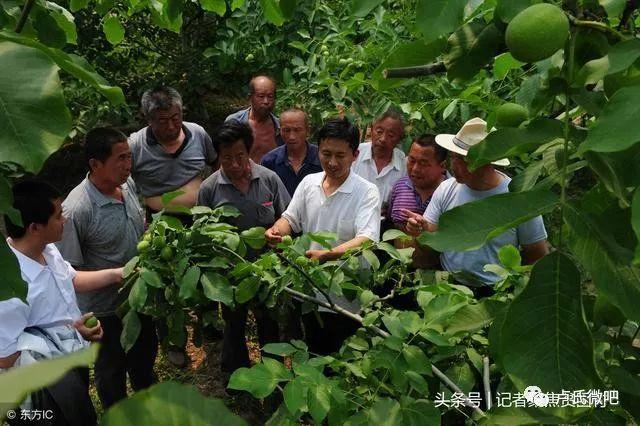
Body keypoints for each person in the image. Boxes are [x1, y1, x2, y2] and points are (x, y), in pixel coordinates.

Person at [1, 180, 123, 424]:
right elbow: (5, 357)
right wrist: (62, 337)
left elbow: (72, 278)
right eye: (58, 216)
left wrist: (119, 273)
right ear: (35, 227)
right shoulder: (11, 288)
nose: (64, 220)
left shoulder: (47, 249)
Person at [56, 128, 157, 409]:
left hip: (138, 299)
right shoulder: (76, 210)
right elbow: (68, 275)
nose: (128, 164)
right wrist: (118, 274)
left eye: (129, 156)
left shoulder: (128, 185)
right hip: (104, 312)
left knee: (144, 362)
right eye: (120, 158)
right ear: (95, 164)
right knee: (111, 374)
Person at [265, 117, 380, 354]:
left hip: (346, 297)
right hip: (309, 290)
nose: (332, 162)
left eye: (340, 155)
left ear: (355, 155)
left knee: (340, 359)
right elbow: (290, 218)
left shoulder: (366, 192)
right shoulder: (309, 183)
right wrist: (277, 231)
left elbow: (367, 239)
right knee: (311, 352)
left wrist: (328, 255)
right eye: (326, 154)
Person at [404, 118, 549, 297]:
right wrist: (422, 232)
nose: (453, 165)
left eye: (462, 159)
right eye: (453, 157)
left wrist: (514, 287)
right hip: (449, 286)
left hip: (497, 292)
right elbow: (431, 246)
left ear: (486, 162)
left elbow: (537, 254)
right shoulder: (447, 189)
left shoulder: (519, 199)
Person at [129, 86, 217, 367]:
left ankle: (211, 327)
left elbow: (215, 168)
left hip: (200, 218)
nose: (170, 125)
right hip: (160, 225)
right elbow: (125, 186)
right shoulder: (135, 146)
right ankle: (173, 342)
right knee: (166, 285)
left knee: (206, 272)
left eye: (175, 117)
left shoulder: (198, 134)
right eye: (162, 120)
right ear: (147, 118)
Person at [197, 121, 290, 379]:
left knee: (269, 327)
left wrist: (281, 240)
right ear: (219, 157)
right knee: (234, 325)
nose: (235, 164)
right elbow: (202, 233)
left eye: (240, 156)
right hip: (231, 276)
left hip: (267, 273)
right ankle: (237, 379)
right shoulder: (209, 189)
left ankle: (274, 377)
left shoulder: (269, 179)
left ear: (248, 152)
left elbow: (288, 217)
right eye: (227, 158)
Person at [387, 134, 447, 236]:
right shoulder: (399, 187)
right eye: (411, 160)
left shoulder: (451, 193)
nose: (415, 169)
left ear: (442, 166)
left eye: (423, 163)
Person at [351, 108, 406, 214]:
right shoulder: (355, 154)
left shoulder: (404, 165)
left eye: (391, 135)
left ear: (399, 139)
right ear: (371, 131)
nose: (383, 139)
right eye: (379, 131)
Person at [261, 108, 322, 197]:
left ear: (308, 130)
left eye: (297, 130)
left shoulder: (322, 158)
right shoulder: (270, 161)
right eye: (286, 130)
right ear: (280, 131)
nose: (292, 136)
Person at [225, 75, 283, 163]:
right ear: (250, 97)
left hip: (271, 176)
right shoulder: (235, 122)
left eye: (270, 96)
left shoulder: (280, 128)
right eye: (261, 96)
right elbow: (224, 155)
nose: (266, 101)